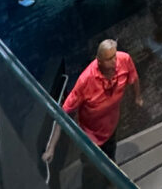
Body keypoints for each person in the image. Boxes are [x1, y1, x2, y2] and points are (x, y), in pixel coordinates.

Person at [42, 39, 142, 187]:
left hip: (111, 127)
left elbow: (134, 78)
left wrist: (138, 96)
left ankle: (111, 180)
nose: (115, 62)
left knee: (110, 156)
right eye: (109, 59)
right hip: (91, 138)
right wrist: (51, 148)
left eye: (114, 56)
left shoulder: (124, 59)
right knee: (91, 172)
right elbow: (63, 114)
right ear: (99, 61)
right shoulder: (85, 81)